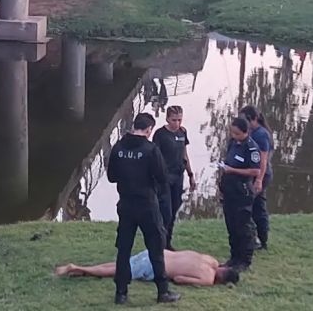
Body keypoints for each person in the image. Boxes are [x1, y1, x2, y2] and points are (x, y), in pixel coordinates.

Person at [107, 112, 180, 305]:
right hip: (147, 204)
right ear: (148, 130)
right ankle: (162, 291)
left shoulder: (118, 148)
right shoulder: (150, 149)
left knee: (123, 249)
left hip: (125, 204)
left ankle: (121, 293)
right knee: (156, 248)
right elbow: (162, 178)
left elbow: (111, 177)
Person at [55, 249, 241, 287]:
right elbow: (178, 279)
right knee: (117, 270)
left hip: (157, 252)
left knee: (119, 265)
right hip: (154, 266)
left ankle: (83, 269)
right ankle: (75, 267)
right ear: (222, 281)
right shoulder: (208, 279)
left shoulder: (211, 260)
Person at [218, 117, 261, 272]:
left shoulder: (251, 148)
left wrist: (233, 170)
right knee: (231, 226)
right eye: (232, 132)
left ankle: (244, 260)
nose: (234, 135)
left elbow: (255, 170)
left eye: (237, 133)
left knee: (243, 227)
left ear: (245, 132)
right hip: (229, 190)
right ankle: (234, 257)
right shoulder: (232, 143)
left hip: (242, 191)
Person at [152, 106, 195, 251]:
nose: (177, 123)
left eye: (179, 120)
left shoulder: (183, 132)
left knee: (175, 207)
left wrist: (191, 174)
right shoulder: (160, 134)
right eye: (174, 120)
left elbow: (185, 154)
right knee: (166, 211)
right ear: (167, 119)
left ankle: (167, 242)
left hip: (178, 176)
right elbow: (155, 157)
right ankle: (160, 243)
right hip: (165, 178)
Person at [240, 106, 272, 250]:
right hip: (252, 174)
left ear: (253, 119)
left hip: (260, 175)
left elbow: (263, 160)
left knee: (254, 208)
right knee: (255, 206)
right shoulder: (252, 132)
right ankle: (256, 239)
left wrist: (259, 180)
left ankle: (260, 239)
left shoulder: (261, 135)